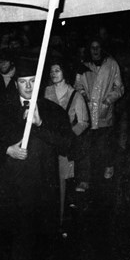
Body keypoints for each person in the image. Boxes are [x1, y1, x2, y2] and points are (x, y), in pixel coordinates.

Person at [0, 58, 73, 260]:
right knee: (15, 249)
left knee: (41, 249)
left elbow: (68, 145)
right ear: (15, 83)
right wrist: (8, 149)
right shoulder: (2, 110)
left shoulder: (53, 111)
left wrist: (40, 125)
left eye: (33, 81)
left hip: (43, 190)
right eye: (23, 81)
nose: (28, 86)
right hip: (12, 190)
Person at [44, 58, 89, 227]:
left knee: (62, 184)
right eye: (51, 71)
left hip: (63, 146)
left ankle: (60, 222)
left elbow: (84, 122)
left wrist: (68, 137)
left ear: (64, 73)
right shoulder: (46, 91)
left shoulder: (75, 95)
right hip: (47, 143)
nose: (53, 74)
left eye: (57, 70)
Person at [74, 37, 124, 190]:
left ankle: (108, 168)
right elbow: (77, 85)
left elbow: (119, 88)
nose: (95, 50)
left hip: (104, 113)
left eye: (98, 47)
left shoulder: (112, 64)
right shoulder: (83, 66)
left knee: (105, 145)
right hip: (87, 112)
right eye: (92, 47)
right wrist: (83, 95)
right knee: (86, 146)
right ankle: (85, 179)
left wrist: (108, 101)